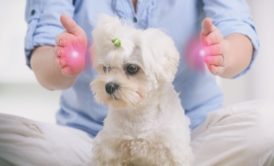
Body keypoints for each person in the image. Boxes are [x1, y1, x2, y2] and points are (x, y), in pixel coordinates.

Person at [0, 0, 273, 165]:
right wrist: (65, 62)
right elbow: (45, 62)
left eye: (130, 69)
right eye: (106, 70)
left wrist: (225, 51)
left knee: (268, 123)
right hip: (88, 143)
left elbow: (237, 29)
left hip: (191, 140)